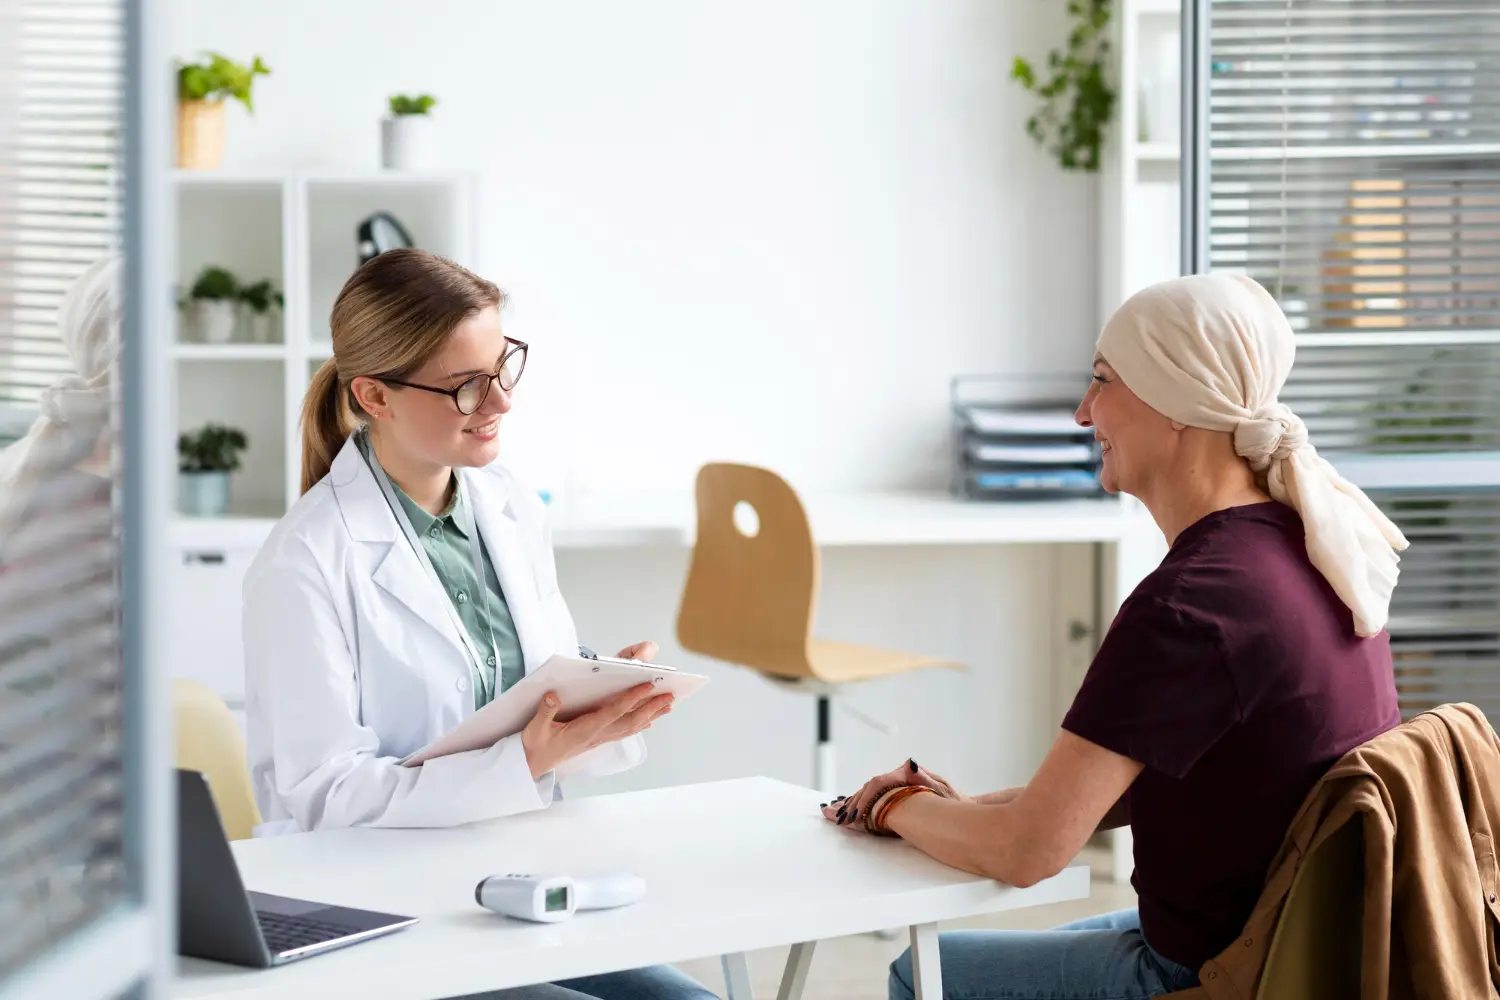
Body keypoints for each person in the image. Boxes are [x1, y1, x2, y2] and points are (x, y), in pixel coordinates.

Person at [827, 273, 1409, 1000]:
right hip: (1299, 949)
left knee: (922, 976)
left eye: (1101, 381)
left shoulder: (1190, 606)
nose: (1081, 413)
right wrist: (961, 810)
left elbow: (1028, 853)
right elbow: (1200, 779)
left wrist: (891, 807)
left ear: (1175, 405)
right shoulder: (1310, 549)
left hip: (1218, 974)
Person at [244, 249, 713, 1000]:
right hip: (383, 915)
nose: (500, 402)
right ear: (375, 395)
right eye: (466, 386)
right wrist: (523, 762)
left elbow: (520, 698)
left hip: (516, 880)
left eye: (503, 368)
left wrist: (597, 710)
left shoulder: (508, 506)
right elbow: (324, 796)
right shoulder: (304, 560)